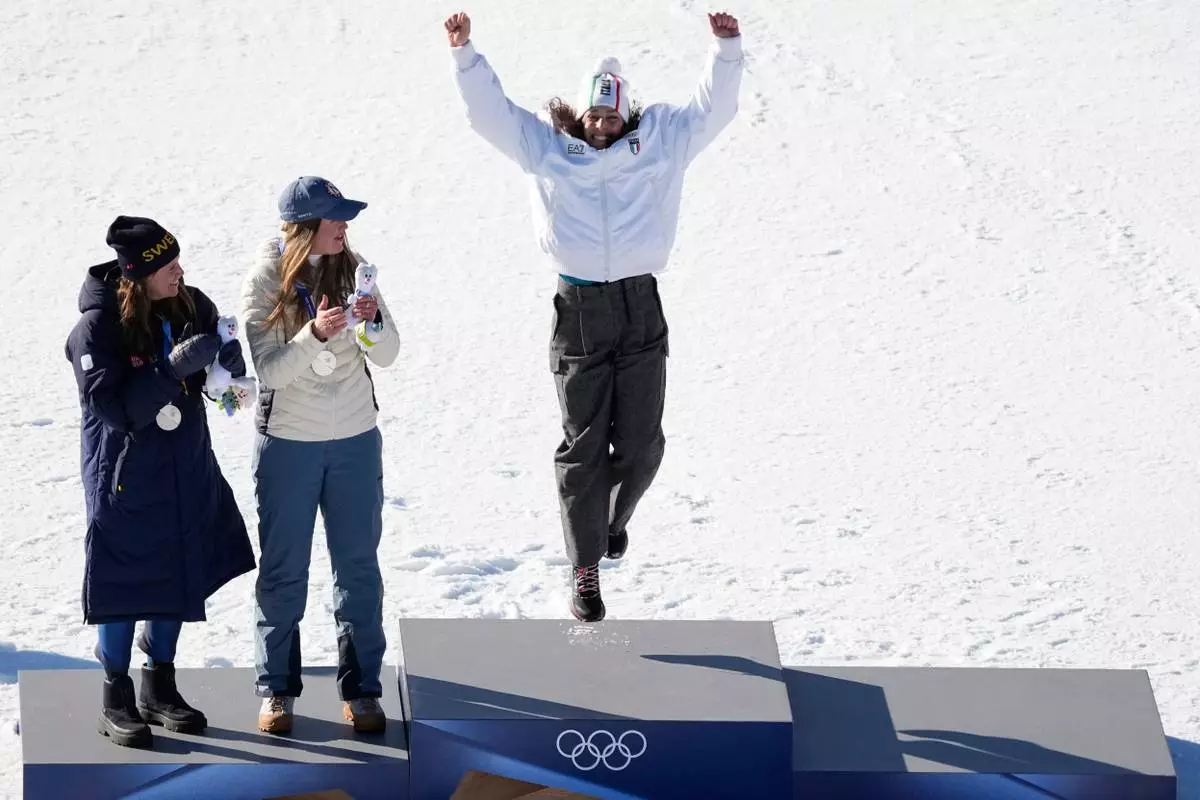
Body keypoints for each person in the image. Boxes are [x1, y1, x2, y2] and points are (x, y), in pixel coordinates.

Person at [444, 11, 744, 621]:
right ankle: (584, 570)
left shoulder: (658, 141)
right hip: (579, 308)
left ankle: (610, 520)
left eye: (611, 117)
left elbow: (713, 110)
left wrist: (726, 48)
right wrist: (465, 54)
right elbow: (490, 115)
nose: (602, 127)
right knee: (584, 447)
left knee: (642, 445)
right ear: (579, 117)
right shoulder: (549, 149)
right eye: (593, 117)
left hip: (639, 306)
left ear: (626, 115)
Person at [64, 215, 257, 748]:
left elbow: (216, 366)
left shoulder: (190, 303)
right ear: (139, 273)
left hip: (184, 467)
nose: (180, 272)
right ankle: (115, 694)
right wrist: (169, 371)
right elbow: (115, 409)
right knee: (124, 583)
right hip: (124, 481)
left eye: (179, 261)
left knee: (178, 573)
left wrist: (226, 369)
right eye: (168, 265)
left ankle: (160, 687)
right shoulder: (96, 328)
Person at [241, 176, 400, 735]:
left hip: (356, 438)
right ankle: (277, 691)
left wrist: (372, 322)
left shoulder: (356, 268)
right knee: (285, 572)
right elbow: (271, 371)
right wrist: (312, 333)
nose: (346, 225)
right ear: (305, 228)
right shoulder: (264, 282)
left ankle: (362, 690)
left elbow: (389, 355)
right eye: (336, 217)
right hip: (290, 445)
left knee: (359, 570)